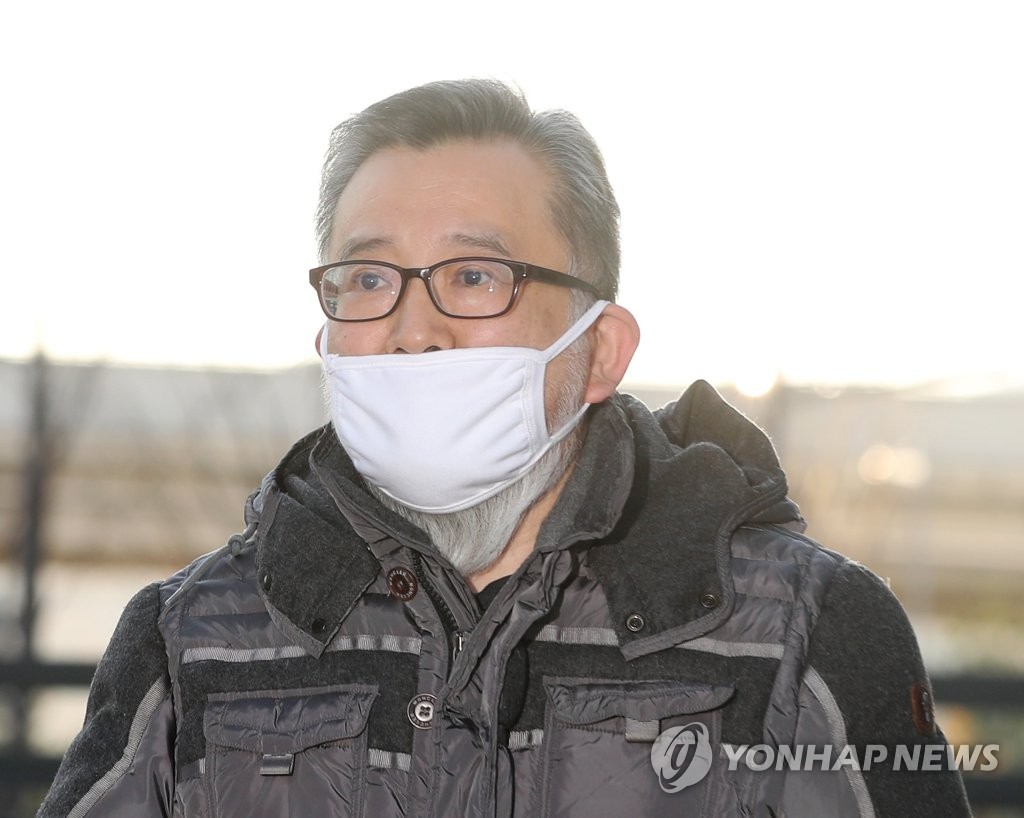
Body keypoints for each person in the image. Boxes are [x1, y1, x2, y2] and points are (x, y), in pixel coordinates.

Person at [39, 79, 971, 818]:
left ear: (599, 351)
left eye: (476, 276)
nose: (413, 331)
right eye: (368, 278)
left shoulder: (803, 632)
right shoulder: (189, 641)